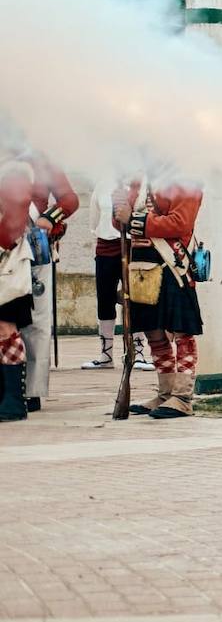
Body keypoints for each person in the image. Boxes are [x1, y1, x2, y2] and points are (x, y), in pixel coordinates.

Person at [114, 172, 204, 419]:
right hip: (142, 266)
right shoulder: (139, 179)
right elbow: (122, 223)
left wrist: (132, 218)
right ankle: (165, 393)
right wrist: (119, 207)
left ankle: (183, 396)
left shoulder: (187, 178)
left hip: (173, 265)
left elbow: (180, 223)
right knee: (154, 332)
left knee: (181, 332)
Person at [17, 149, 78, 413]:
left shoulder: (43, 159)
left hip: (33, 247)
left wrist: (50, 220)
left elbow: (69, 199)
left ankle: (32, 389)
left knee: (37, 321)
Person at [83, 178, 152, 372]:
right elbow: (94, 219)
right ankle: (106, 355)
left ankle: (138, 352)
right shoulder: (103, 184)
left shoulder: (143, 184)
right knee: (105, 299)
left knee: (137, 299)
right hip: (106, 245)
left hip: (134, 245)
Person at [0, 153, 37, 422]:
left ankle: (14, 400)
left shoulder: (15, 176)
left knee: (6, 330)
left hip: (8, 268)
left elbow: (10, 229)